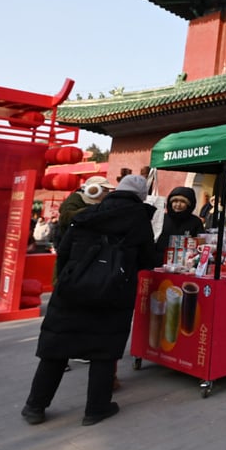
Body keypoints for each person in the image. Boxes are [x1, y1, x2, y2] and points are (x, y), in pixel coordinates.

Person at [21, 175, 156, 426]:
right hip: (112, 293)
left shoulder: (88, 213)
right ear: (141, 196)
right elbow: (149, 259)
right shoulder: (139, 219)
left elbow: (63, 251)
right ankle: (96, 409)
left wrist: (65, 280)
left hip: (72, 290)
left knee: (55, 350)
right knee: (103, 351)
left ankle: (35, 406)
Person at [55, 175, 113, 248]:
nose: (107, 193)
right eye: (105, 191)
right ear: (94, 189)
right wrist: (93, 210)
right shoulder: (76, 198)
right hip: (74, 246)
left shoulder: (102, 203)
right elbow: (66, 217)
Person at [154, 186, 205, 266]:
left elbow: (201, 244)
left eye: (182, 201)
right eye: (175, 201)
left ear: (189, 204)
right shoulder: (162, 218)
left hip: (185, 264)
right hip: (159, 262)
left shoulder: (195, 222)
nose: (178, 204)